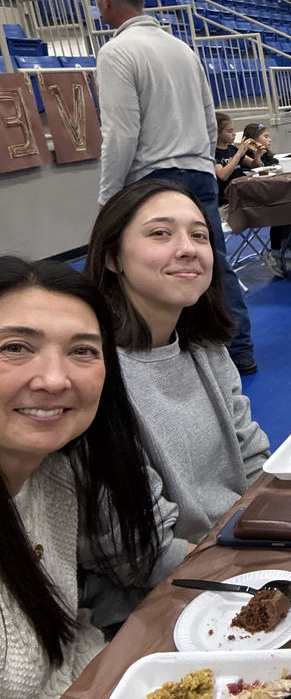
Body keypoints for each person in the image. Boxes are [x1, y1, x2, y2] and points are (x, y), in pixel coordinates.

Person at [0, 257, 167, 698]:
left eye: (82, 351)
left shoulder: (53, 476)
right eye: (14, 347)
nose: (55, 379)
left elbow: (71, 637)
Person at [85, 182, 269, 562]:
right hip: (163, 590)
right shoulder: (94, 373)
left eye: (199, 235)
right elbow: (138, 550)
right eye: (160, 233)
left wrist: (277, 531)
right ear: (111, 257)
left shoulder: (206, 347)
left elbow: (252, 458)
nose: (187, 249)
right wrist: (246, 562)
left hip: (237, 542)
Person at [92, 0, 256, 374]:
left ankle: (161, 357)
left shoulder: (116, 52)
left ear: (104, 1)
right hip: (197, 170)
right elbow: (207, 117)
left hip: (153, 177)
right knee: (211, 261)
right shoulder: (182, 50)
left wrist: (109, 196)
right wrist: (201, 161)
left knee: (153, 270)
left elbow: (121, 131)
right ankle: (239, 352)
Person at [241, 122, 291, 274]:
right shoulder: (246, 157)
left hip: (268, 193)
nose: (269, 140)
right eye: (266, 137)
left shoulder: (267, 155)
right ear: (253, 141)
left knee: (290, 200)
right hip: (251, 198)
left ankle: (289, 239)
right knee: (281, 207)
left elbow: (275, 164)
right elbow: (259, 168)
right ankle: (276, 249)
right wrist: (257, 156)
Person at [213, 112, 258, 211]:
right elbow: (223, 175)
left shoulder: (232, 148)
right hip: (227, 201)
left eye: (234, 130)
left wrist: (257, 155)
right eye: (230, 131)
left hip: (242, 195)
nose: (234, 134)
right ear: (217, 134)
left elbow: (253, 165)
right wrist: (238, 154)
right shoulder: (213, 153)